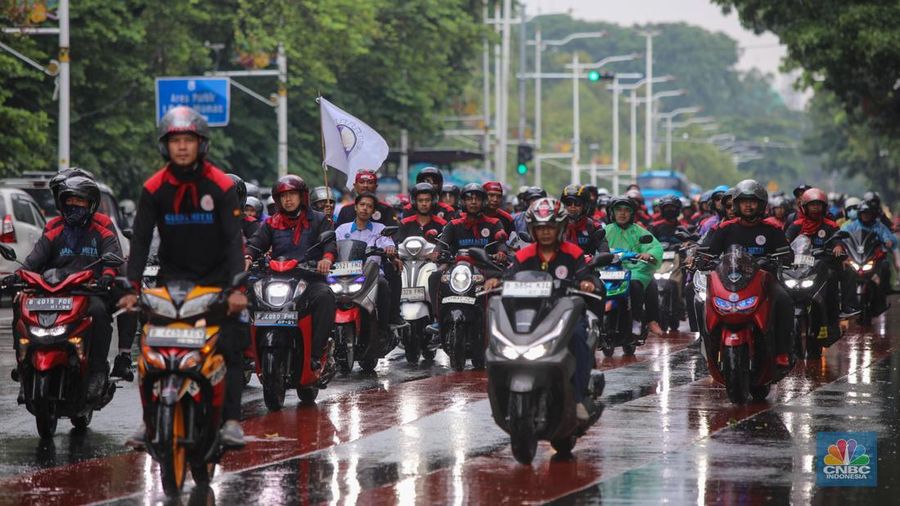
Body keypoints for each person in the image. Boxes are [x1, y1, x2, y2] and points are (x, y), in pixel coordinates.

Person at [120, 106, 249, 447]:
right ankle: (149, 423)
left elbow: (234, 241)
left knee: (231, 340)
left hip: (217, 282)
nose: (181, 147)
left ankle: (232, 420)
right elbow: (141, 240)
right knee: (149, 347)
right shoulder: (153, 188)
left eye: (188, 140)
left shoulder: (220, 186)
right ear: (165, 146)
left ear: (201, 144)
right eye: (175, 140)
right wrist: (131, 287)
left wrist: (237, 288)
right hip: (171, 282)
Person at [6, 176, 122, 400]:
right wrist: (15, 276)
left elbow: (112, 262)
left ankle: (97, 373)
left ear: (91, 204)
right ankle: (24, 369)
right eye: (70, 202)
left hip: (88, 293)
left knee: (99, 311)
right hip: (54, 292)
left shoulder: (103, 230)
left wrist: (107, 277)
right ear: (62, 203)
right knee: (20, 305)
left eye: (81, 202)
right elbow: (32, 262)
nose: (75, 207)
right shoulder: (53, 231)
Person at [483, 197, 600, 420]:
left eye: (550, 227)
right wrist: (496, 281)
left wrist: (587, 282)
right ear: (532, 229)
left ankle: (578, 398)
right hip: (531, 314)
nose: (545, 232)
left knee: (578, 339)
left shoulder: (573, 254)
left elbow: (587, 276)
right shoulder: (523, 255)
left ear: (560, 228)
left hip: (565, 314)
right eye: (540, 228)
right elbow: (509, 276)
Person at [701, 179, 795, 370]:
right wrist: (700, 259)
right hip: (731, 283)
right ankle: (708, 347)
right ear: (737, 204)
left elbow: (786, 253)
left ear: (761, 204)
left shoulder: (772, 229)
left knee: (786, 301)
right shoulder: (726, 228)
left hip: (765, 282)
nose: (748, 205)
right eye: (744, 201)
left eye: (753, 201)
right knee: (704, 300)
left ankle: (782, 351)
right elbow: (708, 251)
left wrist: (780, 259)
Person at [245, 174, 338, 366]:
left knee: (326, 297)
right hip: (277, 279)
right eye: (283, 196)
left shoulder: (319, 220)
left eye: (292, 194)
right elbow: (256, 244)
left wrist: (326, 260)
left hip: (310, 278)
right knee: (245, 295)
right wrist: (247, 257)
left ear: (302, 197)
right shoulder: (271, 223)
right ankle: (248, 352)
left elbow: (330, 245)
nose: (288, 199)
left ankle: (315, 353)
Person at [785, 188, 848, 344]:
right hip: (800, 268)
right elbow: (785, 243)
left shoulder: (830, 225)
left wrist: (838, 247)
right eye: (812, 205)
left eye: (818, 205)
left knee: (833, 280)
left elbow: (838, 240)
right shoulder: (796, 225)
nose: (815, 208)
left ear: (824, 207)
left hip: (822, 268)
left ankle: (832, 323)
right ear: (804, 207)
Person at [335, 192, 398, 335]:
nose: (365, 208)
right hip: (344, 274)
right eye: (362, 205)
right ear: (356, 207)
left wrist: (389, 248)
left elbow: (388, 243)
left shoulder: (380, 229)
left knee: (383, 285)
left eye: (369, 206)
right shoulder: (341, 229)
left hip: (371, 275)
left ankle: (383, 329)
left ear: (373, 211)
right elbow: (333, 248)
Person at [603, 197, 664, 337]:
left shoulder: (639, 231)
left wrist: (649, 254)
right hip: (609, 270)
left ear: (632, 214)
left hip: (634, 270)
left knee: (636, 284)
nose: (622, 213)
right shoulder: (605, 231)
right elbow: (596, 247)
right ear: (612, 213)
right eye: (619, 210)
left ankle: (637, 320)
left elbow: (655, 247)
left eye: (626, 210)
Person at [841, 201, 895, 315]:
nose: (866, 215)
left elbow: (888, 237)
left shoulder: (879, 226)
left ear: (873, 214)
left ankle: (881, 301)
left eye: (868, 213)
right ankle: (848, 304)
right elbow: (842, 235)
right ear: (859, 214)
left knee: (885, 267)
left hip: (874, 259)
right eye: (863, 213)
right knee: (846, 273)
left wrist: (888, 241)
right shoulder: (852, 225)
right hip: (856, 258)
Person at [561, 185, 609, 256]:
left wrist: (601, 257)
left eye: (577, 203)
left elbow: (605, 253)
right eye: (569, 203)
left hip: (587, 266)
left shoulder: (594, 227)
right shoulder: (556, 226)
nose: (572, 206)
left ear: (585, 206)